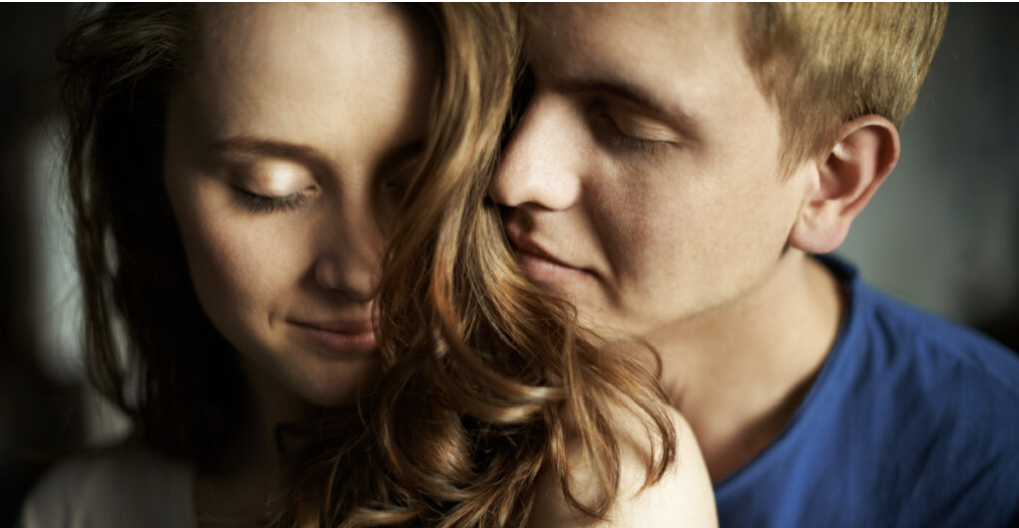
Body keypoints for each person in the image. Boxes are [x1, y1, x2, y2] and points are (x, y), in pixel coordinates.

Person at [19, 4, 715, 528]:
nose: (357, 272)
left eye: (415, 186)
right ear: (152, 174)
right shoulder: (78, 509)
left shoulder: (594, 482)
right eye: (272, 190)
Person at [490, 3, 1019, 527]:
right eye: (515, 86)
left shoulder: (993, 470)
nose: (514, 177)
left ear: (832, 185)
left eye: (628, 127)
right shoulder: (430, 348)